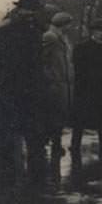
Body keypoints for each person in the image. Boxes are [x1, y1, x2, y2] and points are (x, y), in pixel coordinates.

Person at [0, 0, 48, 182]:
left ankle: (20, 183)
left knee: (25, 138)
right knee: (18, 137)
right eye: (28, 10)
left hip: (21, 94)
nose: (29, 14)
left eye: (31, 11)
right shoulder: (15, 34)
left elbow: (38, 66)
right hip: (16, 93)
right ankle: (19, 184)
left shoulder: (32, 33)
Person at [71, 19, 102, 163]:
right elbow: (78, 70)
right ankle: (75, 148)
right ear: (94, 32)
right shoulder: (81, 48)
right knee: (79, 123)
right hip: (86, 90)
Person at [42, 12, 75, 176]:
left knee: (60, 117)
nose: (70, 27)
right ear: (63, 24)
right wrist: (51, 79)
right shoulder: (50, 37)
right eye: (69, 24)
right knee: (53, 117)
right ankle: (53, 144)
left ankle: (56, 143)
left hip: (64, 85)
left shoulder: (62, 38)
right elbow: (42, 61)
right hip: (55, 86)